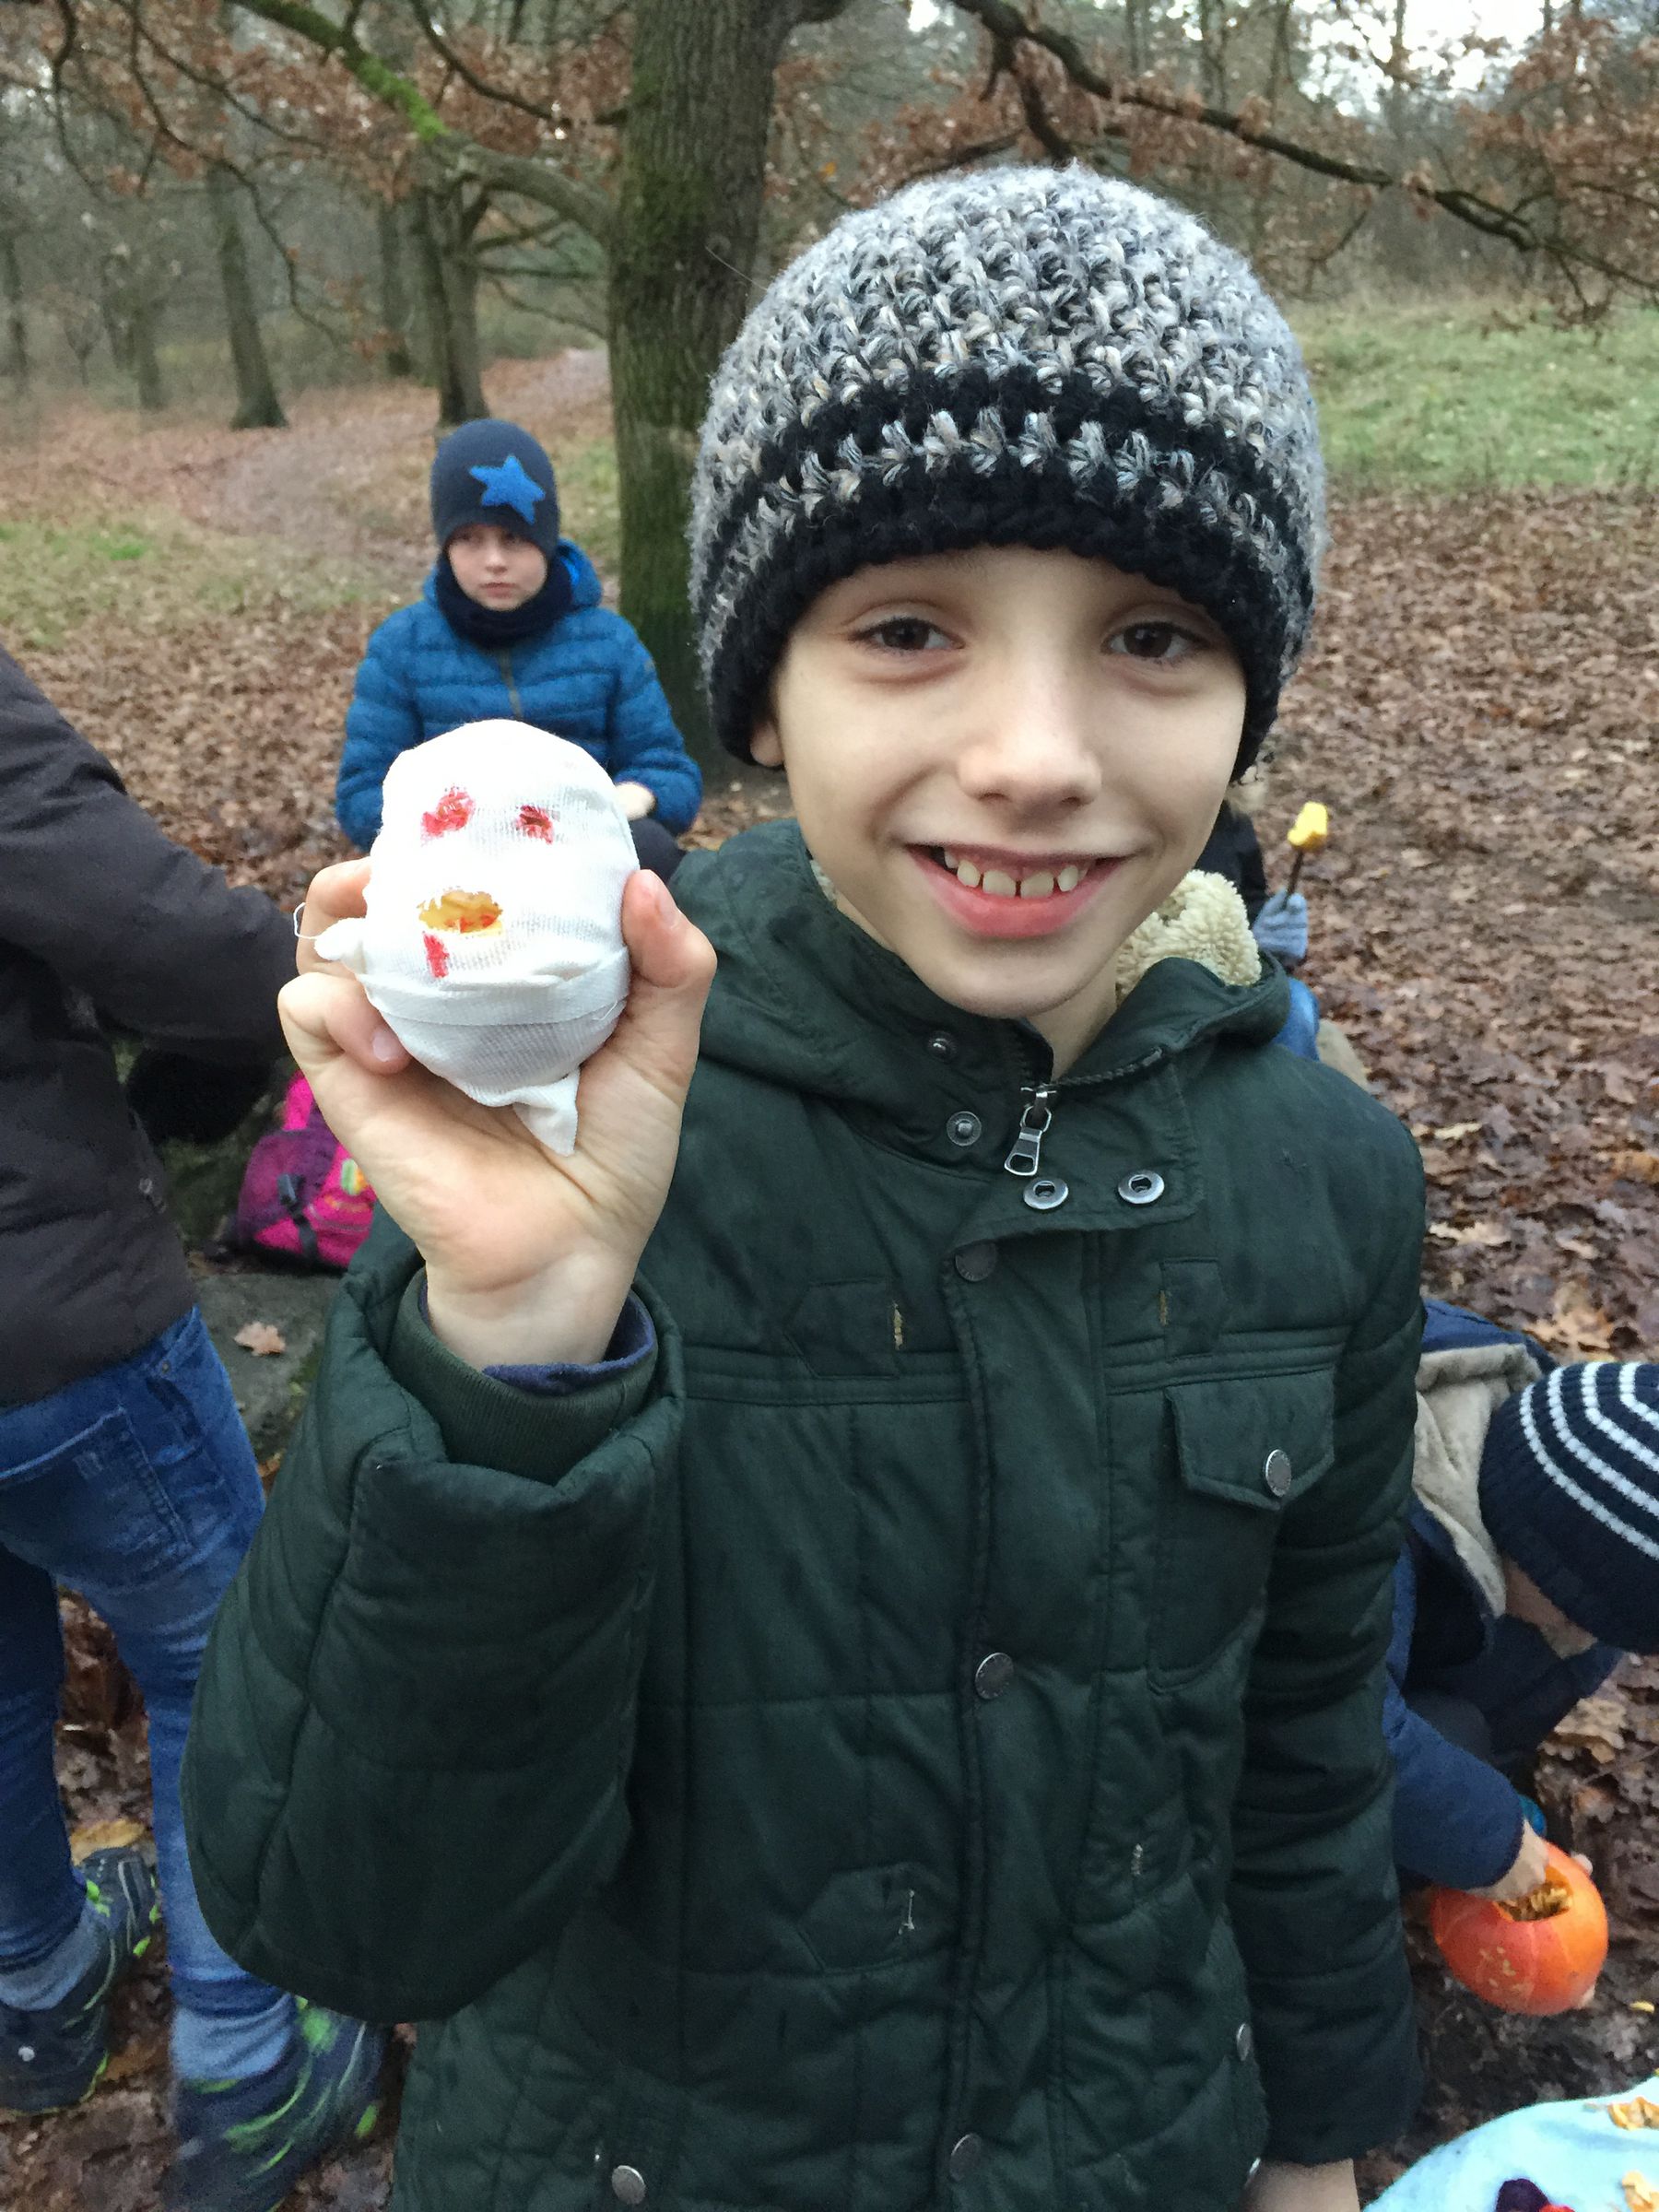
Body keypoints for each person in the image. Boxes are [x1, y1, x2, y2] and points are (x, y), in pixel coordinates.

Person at [184, 168, 1429, 2212]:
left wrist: (1321, 2132)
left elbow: (1302, 1748)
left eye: (1152, 634)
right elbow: (358, 1919)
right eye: (912, 628)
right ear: (763, 692)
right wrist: (514, 1338)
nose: (1036, 752)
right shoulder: (587, 1142)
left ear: (1246, 698)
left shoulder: (1331, 1184)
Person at [0, 646, 382, 2209]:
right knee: (219, 1650)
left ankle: (37, 1994)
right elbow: (146, 926)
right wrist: (343, 960)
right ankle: (250, 2062)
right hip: (50, 1322)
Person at [335, 418, 701, 879]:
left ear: (546, 541)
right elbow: (362, 794)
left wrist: (630, 798)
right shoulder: (400, 649)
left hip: (589, 859)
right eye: (469, 538)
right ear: (444, 545)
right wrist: (458, 826)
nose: (494, 561)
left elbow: (670, 774)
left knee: (656, 853)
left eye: (514, 539)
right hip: (455, 867)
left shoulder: (609, 643)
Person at [1387, 1298, 1653, 1903]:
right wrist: (1482, 1833)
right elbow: (1331, 1716)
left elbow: (1506, 1714)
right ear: (1541, 1555)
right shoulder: (1378, 1510)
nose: (1585, 1637)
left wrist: (1515, 1834)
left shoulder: (1559, 1498)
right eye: (1578, 1615)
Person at [1195, 796, 1320, 1059]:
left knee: (1297, 1003)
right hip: (1159, 990)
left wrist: (1269, 931)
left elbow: (1250, 897)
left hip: (1236, 981)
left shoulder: (1230, 814)